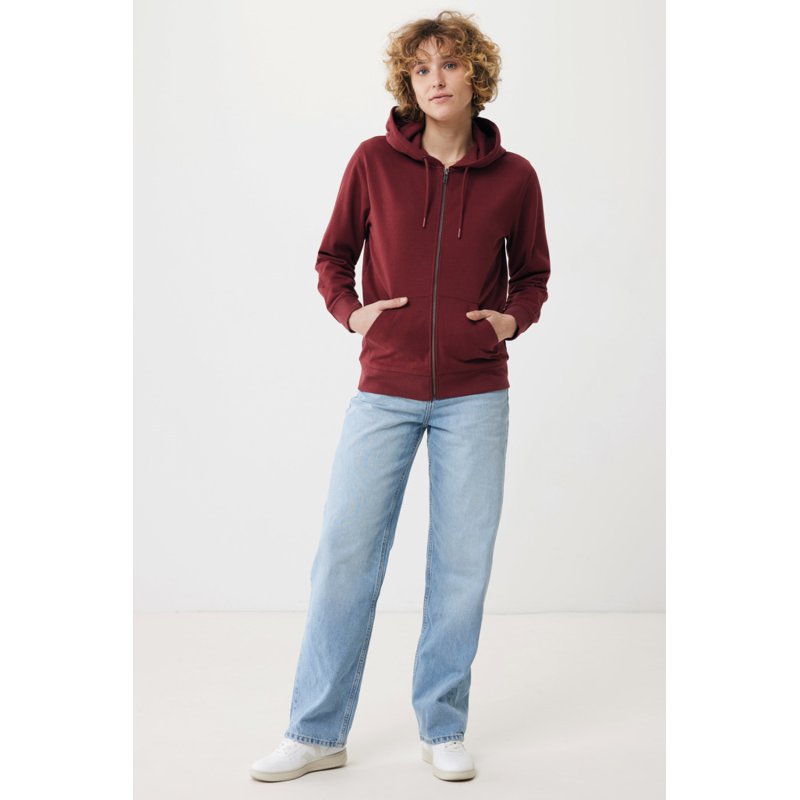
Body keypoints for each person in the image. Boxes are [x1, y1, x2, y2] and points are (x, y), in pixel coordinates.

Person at [250, 10, 550, 783]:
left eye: (449, 64)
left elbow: (533, 274)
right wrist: (353, 313)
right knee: (344, 555)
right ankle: (317, 731)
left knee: (461, 566)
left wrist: (511, 320)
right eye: (421, 69)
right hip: (384, 388)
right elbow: (332, 256)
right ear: (407, 83)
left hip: (475, 393)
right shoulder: (372, 162)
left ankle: (442, 726)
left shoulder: (515, 177)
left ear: (476, 75)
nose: (435, 80)